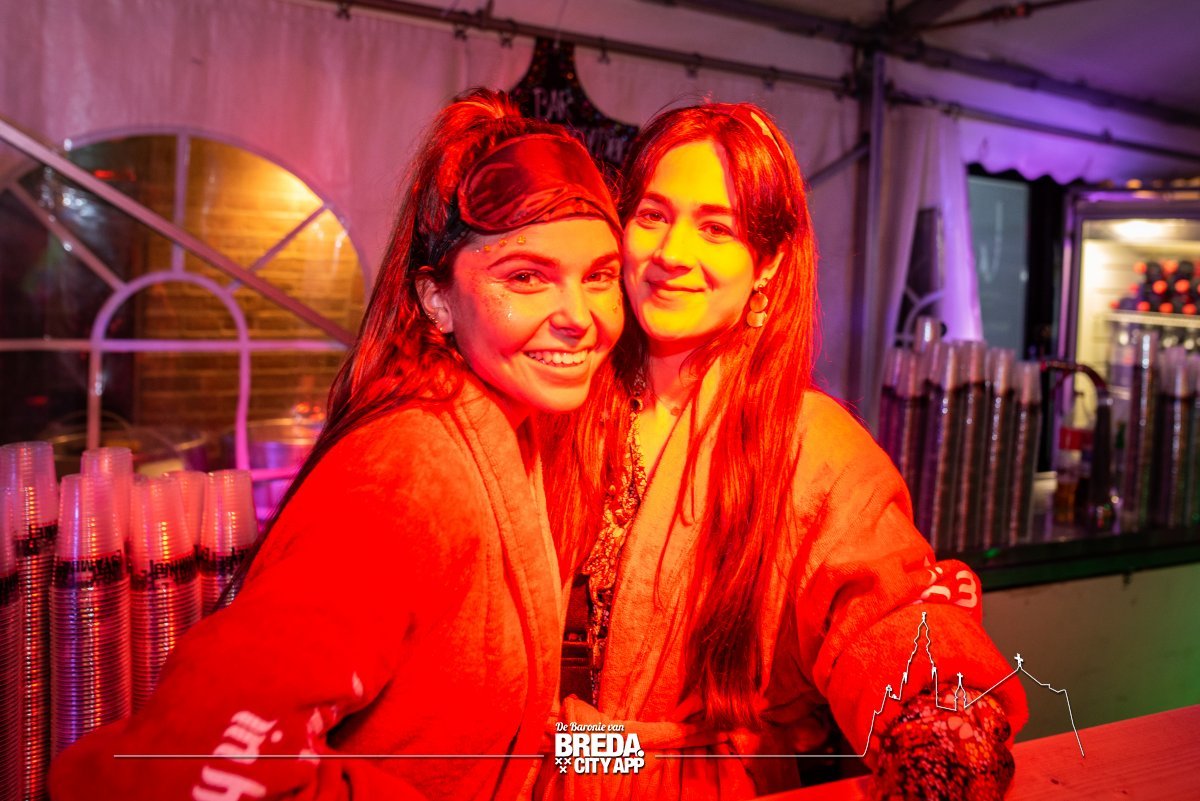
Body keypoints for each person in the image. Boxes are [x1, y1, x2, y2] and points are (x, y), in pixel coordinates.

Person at [49, 88, 624, 801]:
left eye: (599, 276)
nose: (579, 316)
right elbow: (195, 762)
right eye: (527, 277)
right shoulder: (408, 473)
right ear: (436, 299)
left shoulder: (517, 432)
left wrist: (639, 759)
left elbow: (513, 739)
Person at [543, 102, 1028, 800]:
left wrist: (941, 736)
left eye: (716, 227)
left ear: (768, 264)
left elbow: (889, 615)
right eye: (652, 215)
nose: (671, 252)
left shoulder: (810, 443)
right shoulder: (560, 397)